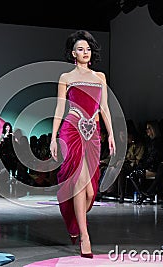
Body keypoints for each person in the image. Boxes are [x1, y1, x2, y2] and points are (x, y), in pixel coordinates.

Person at [50, 30, 115, 258]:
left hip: (93, 133)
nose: (85, 52)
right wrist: (53, 136)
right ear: (72, 53)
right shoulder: (66, 78)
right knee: (78, 182)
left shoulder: (100, 77)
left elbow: (104, 108)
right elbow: (60, 108)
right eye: (80, 49)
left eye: (87, 49)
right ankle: (85, 237)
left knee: (89, 191)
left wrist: (111, 134)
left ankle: (75, 224)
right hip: (72, 129)